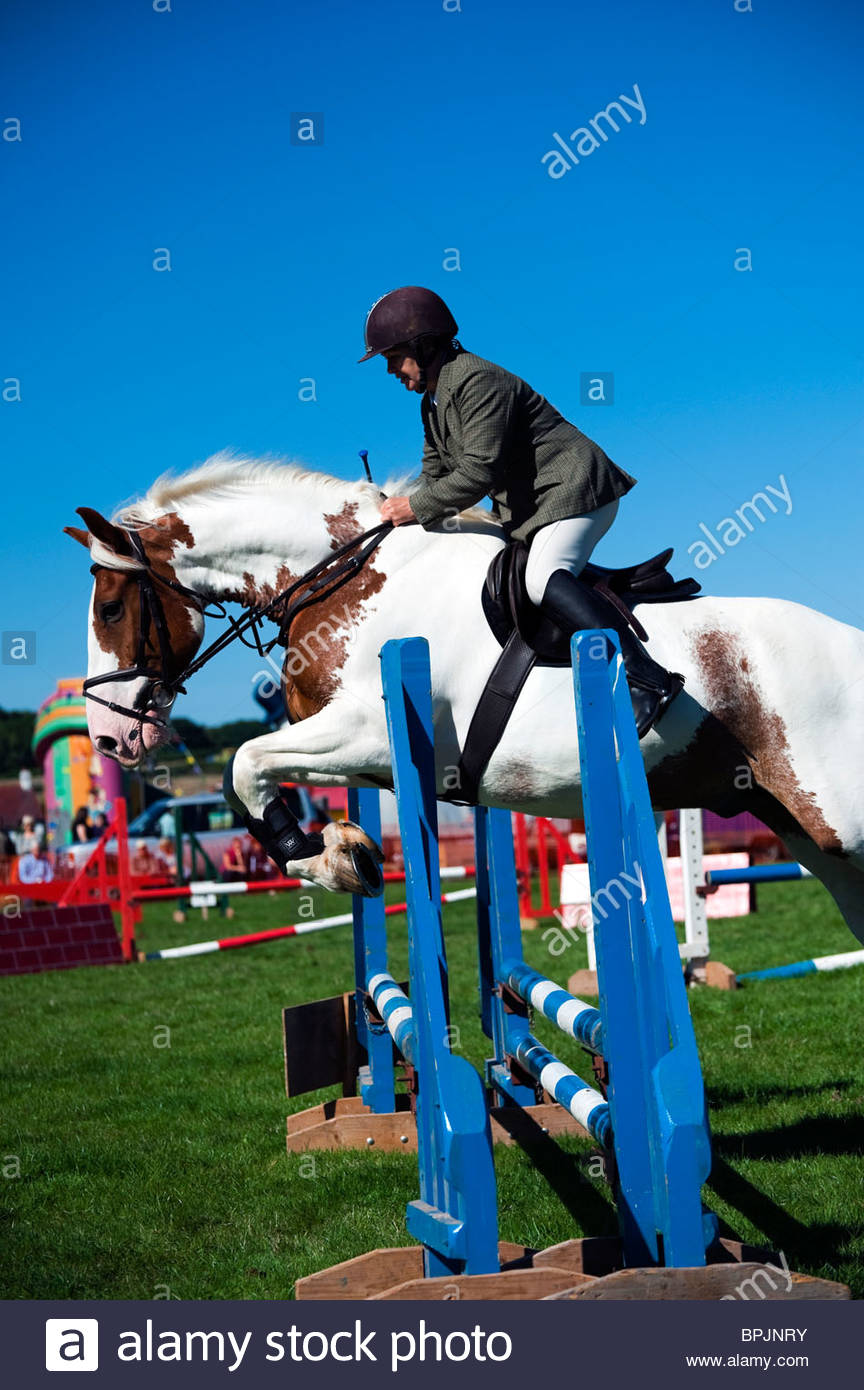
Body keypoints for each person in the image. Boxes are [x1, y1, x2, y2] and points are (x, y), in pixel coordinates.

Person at [359, 286, 683, 737]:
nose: (391, 369)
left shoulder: (476, 380)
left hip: (576, 491)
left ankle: (648, 678)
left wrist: (412, 507)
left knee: (540, 579)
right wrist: (392, 515)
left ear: (422, 345)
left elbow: (477, 473)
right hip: (536, 511)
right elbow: (435, 476)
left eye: (393, 357)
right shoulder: (431, 404)